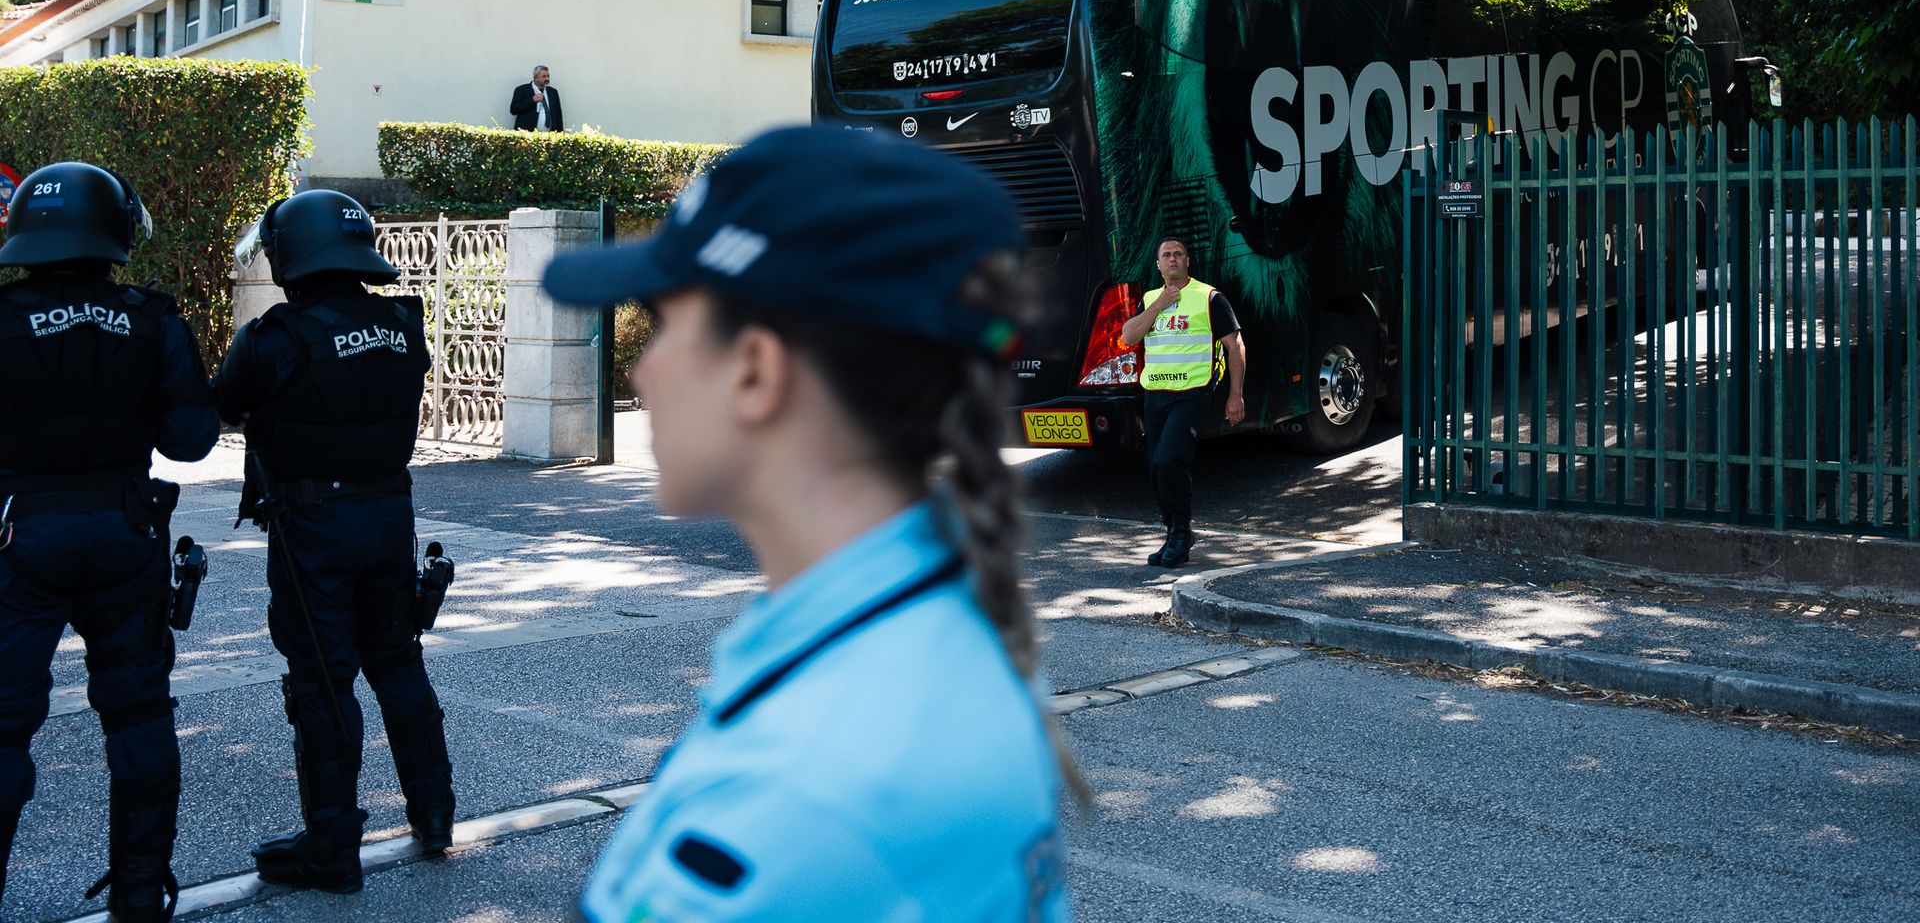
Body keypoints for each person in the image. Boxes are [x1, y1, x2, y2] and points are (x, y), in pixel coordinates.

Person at [544, 126, 1080, 922]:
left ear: (756, 369)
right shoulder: (944, 623)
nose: (639, 370)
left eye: (662, 322)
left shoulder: (787, 803)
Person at [211, 190, 454, 893]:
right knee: (397, 662)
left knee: (322, 680)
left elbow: (216, 409)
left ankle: (332, 845)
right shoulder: (401, 324)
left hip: (312, 529)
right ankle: (434, 813)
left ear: (293, 254)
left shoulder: (276, 337)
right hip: (388, 516)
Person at [0, 162, 219, 921]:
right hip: (126, 533)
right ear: (115, 231)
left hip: (17, 535)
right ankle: (138, 892)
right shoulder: (152, 317)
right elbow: (192, 440)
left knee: (2, 726)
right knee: (140, 716)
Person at [1117, 237, 1246, 568]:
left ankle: (1181, 535)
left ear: (1188, 260)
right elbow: (1128, 336)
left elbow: (1235, 346)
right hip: (1155, 396)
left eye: (1178, 254)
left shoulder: (1209, 297)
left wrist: (1235, 394)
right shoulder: (1149, 298)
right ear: (1158, 265)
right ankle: (1173, 532)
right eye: (1166, 256)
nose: (1172, 259)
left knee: (1168, 460)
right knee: (1155, 469)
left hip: (1191, 393)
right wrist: (1159, 304)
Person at [510, 65, 564, 132]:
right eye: (544, 76)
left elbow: (558, 115)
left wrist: (560, 133)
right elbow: (513, 110)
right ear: (536, 78)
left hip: (550, 136)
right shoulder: (522, 90)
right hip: (527, 134)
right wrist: (532, 100)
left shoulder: (553, 92)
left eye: (548, 76)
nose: (547, 79)